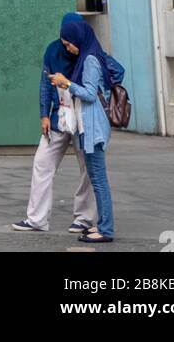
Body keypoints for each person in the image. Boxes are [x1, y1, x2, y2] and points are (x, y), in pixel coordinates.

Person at [46, 14, 124, 243]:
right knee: (96, 178)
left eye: (68, 43)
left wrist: (67, 83)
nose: (67, 48)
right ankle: (101, 225)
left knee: (99, 180)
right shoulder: (89, 56)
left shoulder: (89, 60)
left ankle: (106, 230)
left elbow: (90, 94)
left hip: (93, 127)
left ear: (78, 39)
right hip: (88, 126)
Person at [12, 33, 97, 234]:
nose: (67, 48)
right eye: (64, 43)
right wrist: (44, 115)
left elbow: (107, 78)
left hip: (83, 120)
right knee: (42, 163)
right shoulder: (53, 50)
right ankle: (36, 219)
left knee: (88, 168)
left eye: (70, 44)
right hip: (58, 117)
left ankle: (84, 217)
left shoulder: (90, 55)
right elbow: (44, 84)